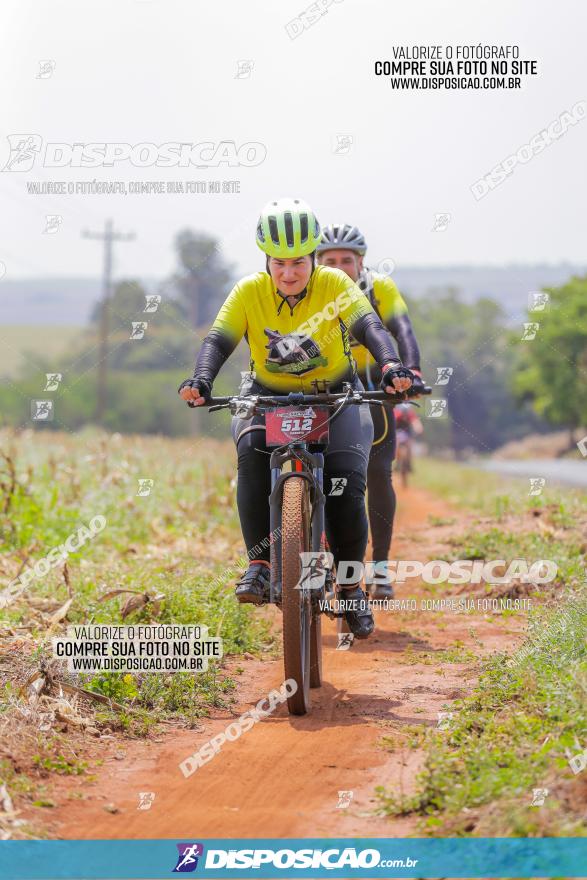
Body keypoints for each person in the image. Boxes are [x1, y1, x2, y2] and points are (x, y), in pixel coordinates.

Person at [178, 198, 414, 639]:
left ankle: (350, 587)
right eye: (280, 263)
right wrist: (201, 378)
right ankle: (260, 565)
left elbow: (371, 328)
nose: (289, 273)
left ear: (312, 259)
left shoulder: (334, 284)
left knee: (347, 485)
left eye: (299, 263)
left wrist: (390, 365)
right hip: (268, 395)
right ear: (267, 261)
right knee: (250, 456)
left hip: (335, 396)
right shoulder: (248, 290)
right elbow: (218, 339)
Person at [316, 224, 424, 600]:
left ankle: (379, 568)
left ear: (361, 261)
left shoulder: (379, 288)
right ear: (318, 263)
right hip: (324, 383)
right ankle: (327, 564)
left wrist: (411, 371)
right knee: (324, 474)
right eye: (330, 261)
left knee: (378, 472)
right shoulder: (309, 291)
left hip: (374, 379)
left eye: (347, 260)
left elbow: (402, 328)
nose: (340, 266)